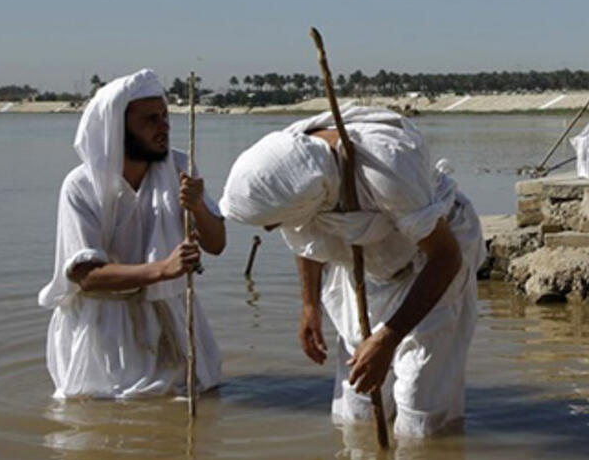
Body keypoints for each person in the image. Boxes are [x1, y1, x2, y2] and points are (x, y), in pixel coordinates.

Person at [219, 106, 484, 437]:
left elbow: (446, 258)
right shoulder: (295, 167)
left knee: (420, 412)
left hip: (429, 264)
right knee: (357, 412)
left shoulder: (386, 167)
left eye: (273, 222)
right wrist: (310, 306)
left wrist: (387, 338)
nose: (271, 231)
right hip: (367, 268)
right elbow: (307, 238)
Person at [37, 69, 224, 399]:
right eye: (150, 120)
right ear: (117, 130)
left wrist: (197, 208)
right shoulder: (81, 186)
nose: (164, 127)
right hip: (104, 326)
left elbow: (216, 244)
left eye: (165, 116)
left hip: (169, 316)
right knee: (107, 414)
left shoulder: (179, 167)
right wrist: (161, 269)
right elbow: (87, 276)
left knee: (188, 395)